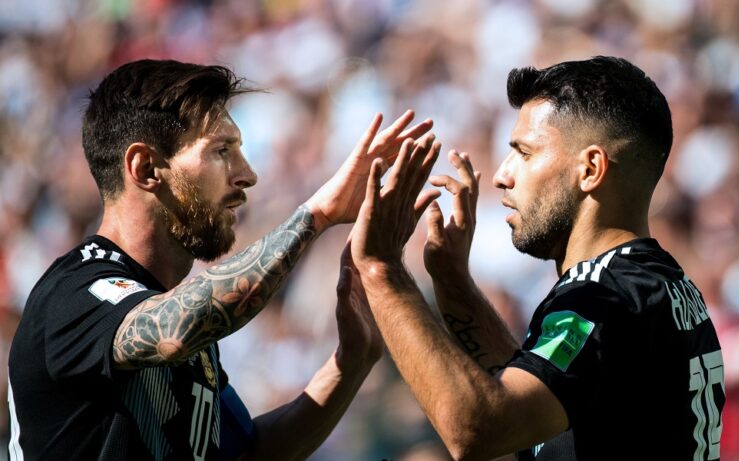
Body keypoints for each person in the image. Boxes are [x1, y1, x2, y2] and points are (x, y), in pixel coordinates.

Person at [7, 59, 432, 460]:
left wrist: (350, 363)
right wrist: (316, 215)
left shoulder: (183, 316)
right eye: (222, 150)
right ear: (146, 168)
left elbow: (247, 454)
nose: (248, 175)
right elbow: (173, 330)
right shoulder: (74, 290)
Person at [349, 56, 725, 460]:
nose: (502, 175)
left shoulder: (601, 297)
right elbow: (533, 396)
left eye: (524, 153)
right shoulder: (655, 283)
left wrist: (381, 269)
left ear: (590, 169)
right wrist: (451, 280)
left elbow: (480, 428)